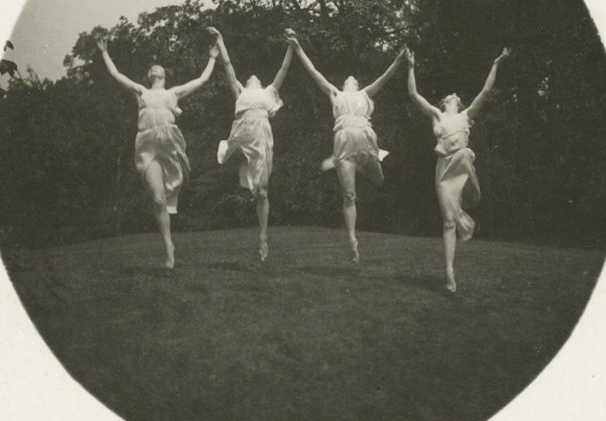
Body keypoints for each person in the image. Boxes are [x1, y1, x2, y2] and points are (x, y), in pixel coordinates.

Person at [95, 33, 218, 269]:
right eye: (151, 68)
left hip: (169, 141)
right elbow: (116, 74)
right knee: (158, 198)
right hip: (147, 144)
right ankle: (169, 246)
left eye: (158, 67)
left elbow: (202, 80)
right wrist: (104, 52)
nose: (154, 68)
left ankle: (170, 239)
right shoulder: (140, 90)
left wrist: (212, 58)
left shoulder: (173, 93)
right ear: (149, 76)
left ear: (163, 75)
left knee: (174, 186)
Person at [284, 29, 407, 263]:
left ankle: (363, 164)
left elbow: (385, 77)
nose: (350, 79)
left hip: (365, 139)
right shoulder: (336, 94)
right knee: (349, 196)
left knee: (379, 179)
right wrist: (297, 46)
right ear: (343, 85)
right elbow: (313, 72)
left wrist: (399, 59)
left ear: (358, 85)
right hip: (343, 141)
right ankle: (352, 240)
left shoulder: (365, 93)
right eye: (347, 80)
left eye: (354, 80)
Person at [406, 46, 510, 292]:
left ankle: (464, 202)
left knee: (464, 161)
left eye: (455, 96)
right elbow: (413, 94)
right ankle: (449, 272)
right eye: (449, 96)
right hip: (444, 169)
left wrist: (496, 63)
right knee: (449, 222)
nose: (452, 95)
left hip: (461, 164)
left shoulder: (466, 115)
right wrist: (410, 67)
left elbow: (486, 91)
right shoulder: (436, 115)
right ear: (444, 103)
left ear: (458, 103)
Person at [209, 28, 294, 262]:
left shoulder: (269, 92)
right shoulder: (241, 91)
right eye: (248, 78)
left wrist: (291, 45)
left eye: (256, 78)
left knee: (263, 191)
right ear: (245, 83)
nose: (253, 77)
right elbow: (227, 64)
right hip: (242, 133)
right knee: (230, 162)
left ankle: (263, 237)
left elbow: (284, 68)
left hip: (261, 136)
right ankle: (237, 168)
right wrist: (220, 39)